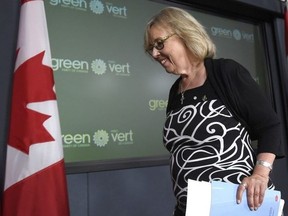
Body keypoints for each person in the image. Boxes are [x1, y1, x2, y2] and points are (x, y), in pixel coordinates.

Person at [143, 6, 285, 216]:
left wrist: (260, 175)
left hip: (238, 206)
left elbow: (270, 126)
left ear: (185, 34)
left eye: (159, 44)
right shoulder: (176, 90)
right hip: (190, 209)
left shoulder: (225, 72)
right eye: (151, 49)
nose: (155, 53)